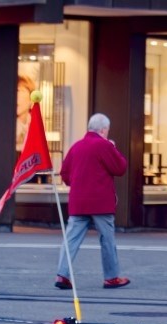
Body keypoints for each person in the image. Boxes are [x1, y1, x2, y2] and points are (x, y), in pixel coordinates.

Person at [54, 113, 130, 290]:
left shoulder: (76, 147)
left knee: (71, 240)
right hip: (101, 203)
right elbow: (120, 168)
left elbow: (64, 173)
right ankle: (111, 278)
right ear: (103, 130)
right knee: (107, 240)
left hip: (78, 202)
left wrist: (78, 184)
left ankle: (62, 275)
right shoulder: (104, 145)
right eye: (107, 130)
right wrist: (113, 148)